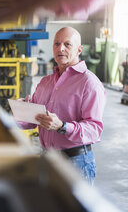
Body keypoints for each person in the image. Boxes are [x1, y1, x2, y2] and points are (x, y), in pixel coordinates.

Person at [18, 27, 105, 185]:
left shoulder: (89, 83)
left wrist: (63, 126)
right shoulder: (45, 82)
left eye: (67, 44)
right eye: (56, 44)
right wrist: (21, 112)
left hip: (75, 163)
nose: (60, 48)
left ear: (79, 49)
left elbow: (94, 129)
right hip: (47, 159)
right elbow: (34, 120)